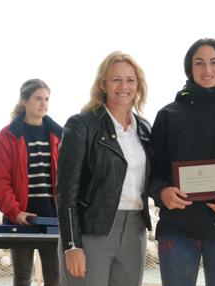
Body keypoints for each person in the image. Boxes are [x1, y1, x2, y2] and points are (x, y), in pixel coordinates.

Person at [149, 38, 215, 286]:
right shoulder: (168, 115)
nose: (207, 70)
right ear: (190, 68)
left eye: (213, 62)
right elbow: (153, 171)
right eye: (199, 63)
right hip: (176, 227)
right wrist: (162, 192)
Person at [56, 51, 152, 286]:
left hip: (135, 232)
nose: (124, 86)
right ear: (103, 84)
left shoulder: (145, 129)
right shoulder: (81, 125)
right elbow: (66, 191)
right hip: (92, 232)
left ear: (138, 85)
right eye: (116, 79)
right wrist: (72, 245)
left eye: (130, 80)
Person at [0, 79, 62, 286]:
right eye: (38, 98)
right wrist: (16, 212)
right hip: (20, 220)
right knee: (22, 276)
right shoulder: (7, 137)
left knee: (55, 277)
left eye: (46, 99)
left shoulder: (60, 136)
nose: (43, 104)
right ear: (24, 102)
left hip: (52, 220)